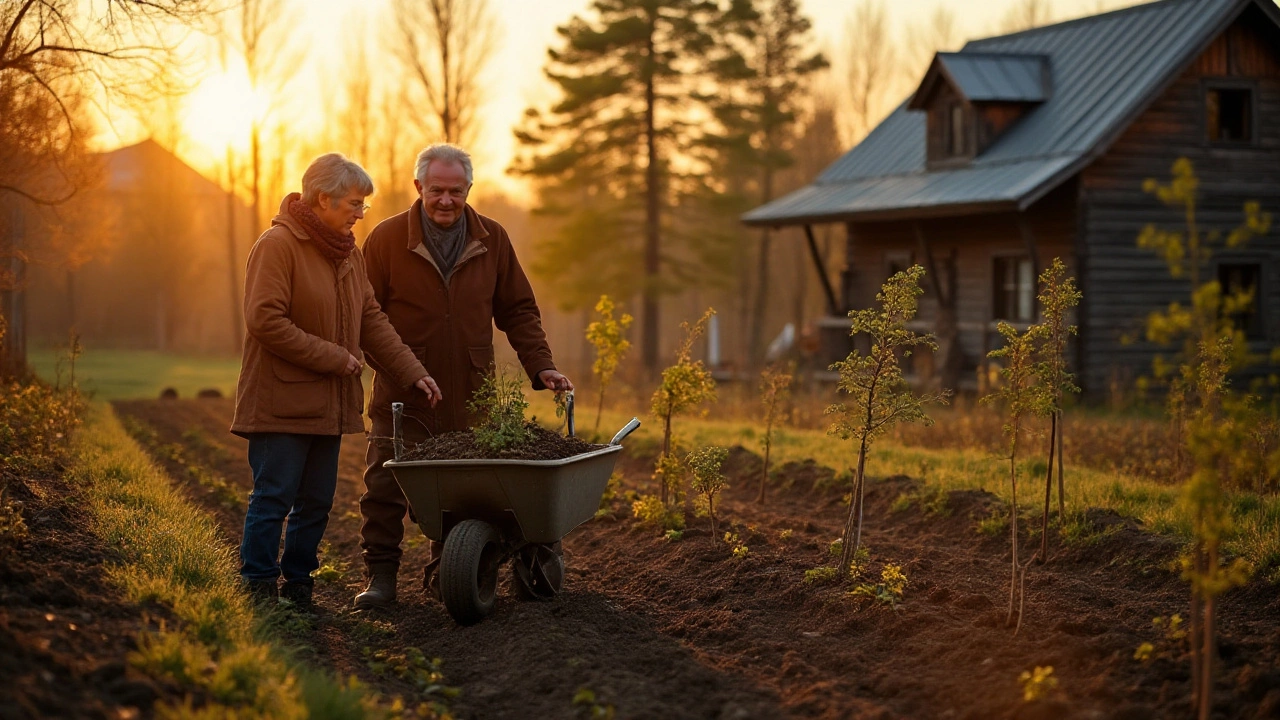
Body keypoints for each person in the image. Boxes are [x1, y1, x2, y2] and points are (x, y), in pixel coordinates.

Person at [354, 143, 572, 609]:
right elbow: (364, 317)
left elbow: (518, 309)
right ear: (419, 188)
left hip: (474, 393)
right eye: (437, 190)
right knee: (385, 487)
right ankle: (382, 577)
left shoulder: (493, 238)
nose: (446, 200)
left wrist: (542, 365)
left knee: (468, 493)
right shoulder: (386, 240)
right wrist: (402, 371)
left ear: (469, 189)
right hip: (402, 394)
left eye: (456, 191)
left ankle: (449, 570)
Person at [230, 153, 441, 609]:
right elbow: (264, 320)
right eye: (354, 203)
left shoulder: (347, 255)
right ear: (322, 198)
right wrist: (335, 358)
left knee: (317, 503)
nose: (360, 213)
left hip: (328, 407)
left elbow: (371, 320)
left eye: (363, 204)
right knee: (273, 499)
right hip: (280, 404)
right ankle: (258, 589)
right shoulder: (277, 245)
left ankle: (299, 587)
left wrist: (413, 372)